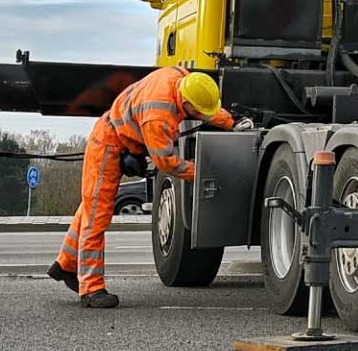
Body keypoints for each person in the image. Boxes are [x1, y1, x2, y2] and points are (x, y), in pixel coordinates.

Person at [49, 66, 235, 309]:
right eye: (196, 111)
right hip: (108, 145)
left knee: (89, 209)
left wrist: (230, 121)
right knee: (97, 216)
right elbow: (167, 162)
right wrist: (201, 173)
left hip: (116, 138)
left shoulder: (178, 76)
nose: (199, 115)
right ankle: (91, 289)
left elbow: (204, 108)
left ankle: (64, 265)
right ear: (186, 102)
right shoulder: (158, 117)